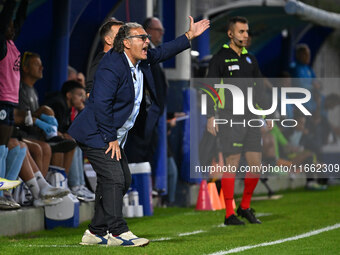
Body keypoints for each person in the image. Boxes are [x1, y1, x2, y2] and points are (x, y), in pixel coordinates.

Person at [68, 18, 209, 246]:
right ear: (125, 43)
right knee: (114, 178)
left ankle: (95, 231)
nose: (147, 42)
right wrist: (110, 137)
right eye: (142, 38)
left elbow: (162, 52)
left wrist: (189, 36)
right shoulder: (110, 64)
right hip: (98, 133)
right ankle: (118, 232)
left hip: (113, 134)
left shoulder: (139, 60)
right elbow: (101, 103)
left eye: (147, 37)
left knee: (122, 180)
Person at [206, 16, 272, 225]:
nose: (245, 35)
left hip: (251, 118)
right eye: (241, 31)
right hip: (229, 118)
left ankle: (244, 207)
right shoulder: (219, 59)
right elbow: (210, 89)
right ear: (230, 34)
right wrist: (210, 116)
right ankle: (228, 214)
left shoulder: (251, 59)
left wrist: (267, 113)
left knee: (255, 165)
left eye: (247, 31)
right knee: (232, 164)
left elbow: (259, 90)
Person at [47, 80, 94, 201]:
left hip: (56, 139)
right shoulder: (58, 103)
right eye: (79, 95)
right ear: (69, 95)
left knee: (76, 142)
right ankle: (75, 186)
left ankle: (79, 185)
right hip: (45, 139)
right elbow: (52, 129)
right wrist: (64, 135)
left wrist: (82, 110)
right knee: (73, 144)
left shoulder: (69, 107)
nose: (82, 99)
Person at [0, 0, 27, 192]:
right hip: (1, 100)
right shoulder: (1, 44)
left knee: (5, 147)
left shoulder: (11, 44)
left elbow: (19, 20)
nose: (12, 27)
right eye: (8, 24)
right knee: (0, 147)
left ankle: (4, 192)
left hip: (10, 102)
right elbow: (6, 20)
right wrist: (10, 5)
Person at [85, 19, 124, 96]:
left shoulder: (120, 60)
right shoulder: (103, 61)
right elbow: (90, 92)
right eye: (120, 36)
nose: (125, 39)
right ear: (108, 40)